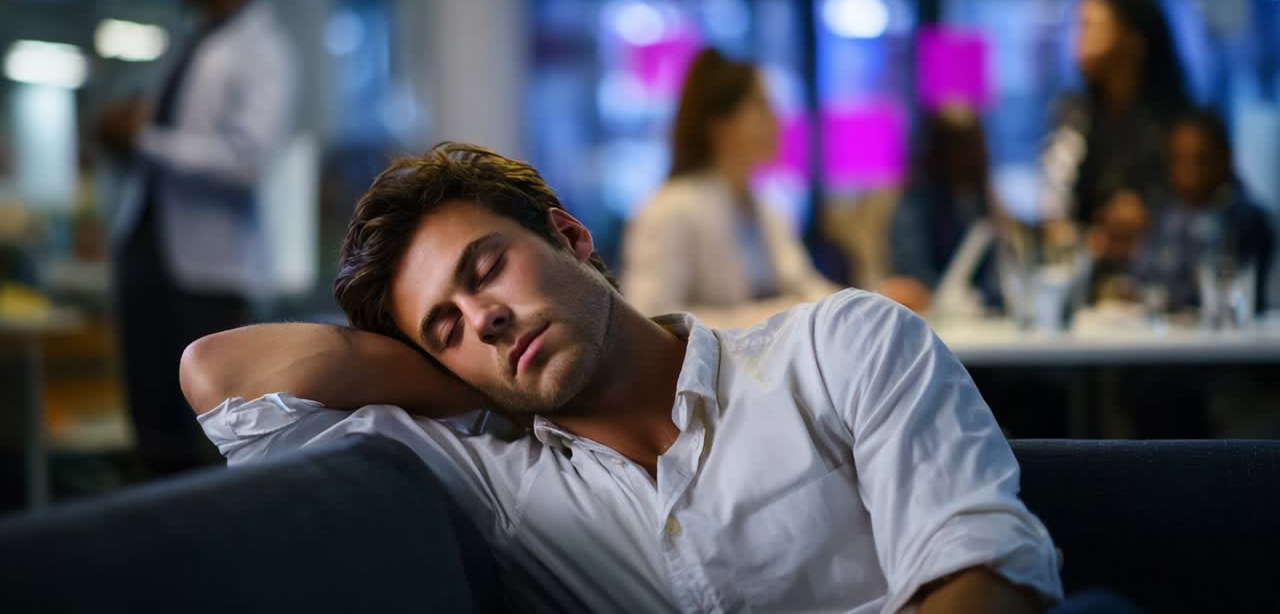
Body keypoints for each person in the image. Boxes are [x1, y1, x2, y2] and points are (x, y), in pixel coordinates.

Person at [182, 142, 1062, 613]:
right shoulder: (497, 483)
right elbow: (219, 376)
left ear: (569, 238)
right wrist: (466, 377)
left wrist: (468, 354)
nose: (481, 319)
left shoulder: (839, 345)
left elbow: (985, 571)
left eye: (487, 270)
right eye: (443, 327)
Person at [96, 0, 297, 475]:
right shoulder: (187, 42)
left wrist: (147, 140)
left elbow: (246, 160)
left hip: (210, 271)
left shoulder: (264, 50)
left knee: (207, 432)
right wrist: (125, 141)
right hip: (146, 249)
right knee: (149, 419)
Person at [622, 48, 838, 328]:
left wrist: (869, 303)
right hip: (708, 370)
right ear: (720, 124)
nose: (777, 120)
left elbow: (805, 286)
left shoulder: (765, 204)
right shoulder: (670, 208)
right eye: (761, 106)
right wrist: (772, 317)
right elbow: (650, 317)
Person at [1040, 0, 1189, 273]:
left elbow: (1203, 205)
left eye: (1090, 26)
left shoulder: (1178, 122)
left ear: (1134, 40)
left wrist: (1150, 216)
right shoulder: (1074, 115)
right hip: (1086, 280)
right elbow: (1054, 202)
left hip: (1165, 279)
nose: (1078, 40)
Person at [1133, 108, 1272, 313]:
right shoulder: (1163, 214)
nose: (1188, 172)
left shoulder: (1247, 220)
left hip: (1227, 339)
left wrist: (1164, 297)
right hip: (1163, 336)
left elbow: (1218, 288)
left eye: (1200, 159)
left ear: (1225, 158)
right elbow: (1142, 276)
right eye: (1179, 160)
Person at [881, 106, 997, 314]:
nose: (967, 157)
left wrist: (981, 297)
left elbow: (992, 274)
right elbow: (913, 270)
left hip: (973, 314)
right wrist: (942, 297)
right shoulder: (915, 204)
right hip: (925, 316)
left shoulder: (977, 202)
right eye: (958, 147)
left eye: (971, 147)